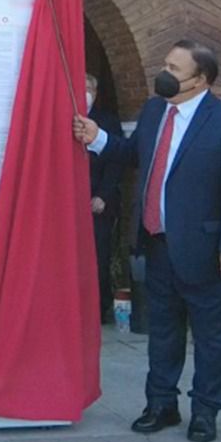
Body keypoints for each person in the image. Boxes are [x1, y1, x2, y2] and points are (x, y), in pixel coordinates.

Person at [74, 40, 221, 442]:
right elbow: (133, 153)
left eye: (175, 69)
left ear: (200, 79)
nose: (165, 73)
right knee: (163, 333)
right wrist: (98, 138)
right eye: (166, 65)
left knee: (210, 338)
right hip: (157, 244)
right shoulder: (156, 110)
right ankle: (161, 404)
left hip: (207, 251)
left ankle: (205, 411)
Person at [85, 74, 125, 324]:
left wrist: (103, 195)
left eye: (89, 87)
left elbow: (116, 161)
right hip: (71, 203)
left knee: (99, 255)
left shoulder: (107, 121)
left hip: (98, 201)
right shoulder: (64, 116)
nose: (85, 92)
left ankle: (99, 308)